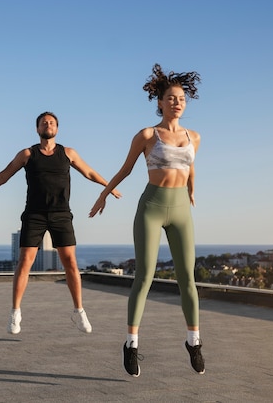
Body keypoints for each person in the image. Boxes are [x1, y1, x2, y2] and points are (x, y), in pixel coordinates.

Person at [89, 64, 205, 376]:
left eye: (181, 98)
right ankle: (131, 344)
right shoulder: (147, 135)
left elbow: (190, 168)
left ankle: (194, 342)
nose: (177, 102)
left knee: (187, 279)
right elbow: (126, 169)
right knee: (144, 277)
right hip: (152, 206)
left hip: (181, 209)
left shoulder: (194, 137)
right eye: (171, 97)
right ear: (160, 101)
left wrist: (191, 192)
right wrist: (104, 194)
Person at [0, 111, 120, 335]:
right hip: (34, 214)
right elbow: (3, 175)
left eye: (52, 122)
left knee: (71, 264)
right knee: (25, 262)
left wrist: (109, 187)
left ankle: (79, 310)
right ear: (37, 129)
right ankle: (15, 312)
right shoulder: (27, 154)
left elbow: (89, 172)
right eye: (44, 122)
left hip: (61, 214)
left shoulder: (68, 153)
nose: (48, 124)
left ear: (57, 128)